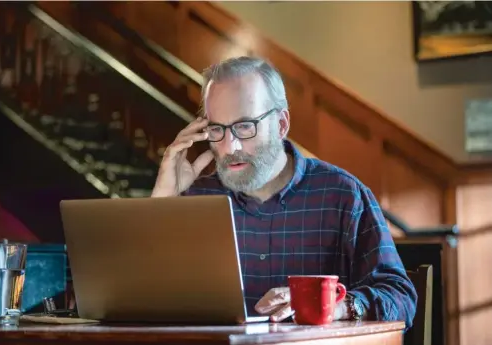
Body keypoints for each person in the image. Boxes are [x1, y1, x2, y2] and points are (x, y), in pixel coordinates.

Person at [150, 56, 417, 327]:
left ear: (281, 125)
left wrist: (335, 306)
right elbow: (143, 301)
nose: (230, 147)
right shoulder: (194, 199)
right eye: (217, 129)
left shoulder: (342, 195)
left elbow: (400, 297)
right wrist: (163, 200)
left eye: (245, 126)